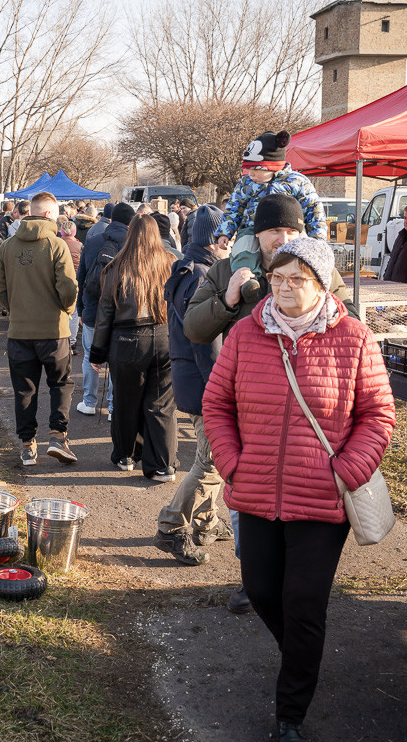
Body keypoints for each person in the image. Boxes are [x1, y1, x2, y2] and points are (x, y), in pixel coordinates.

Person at [202, 237, 395, 742]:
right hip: (256, 490)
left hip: (322, 497)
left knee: (304, 601)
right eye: (277, 277)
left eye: (297, 279)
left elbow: (377, 415)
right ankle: (302, 657)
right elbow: (216, 404)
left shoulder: (354, 338)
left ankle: (290, 713)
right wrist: (232, 463)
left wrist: (346, 471)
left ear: (322, 283)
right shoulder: (245, 333)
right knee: (263, 591)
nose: (284, 288)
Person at [184, 193, 359, 613]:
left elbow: (350, 319)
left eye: (292, 230)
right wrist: (227, 300)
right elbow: (193, 326)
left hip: (309, 409)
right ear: (257, 233)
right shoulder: (229, 267)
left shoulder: (319, 266)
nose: (284, 239)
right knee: (247, 497)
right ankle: (254, 578)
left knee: (300, 493)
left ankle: (293, 582)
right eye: (275, 230)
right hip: (251, 406)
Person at [154, 205, 232, 566]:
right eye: (228, 238)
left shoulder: (191, 266)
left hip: (195, 378)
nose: (231, 245)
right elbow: (205, 341)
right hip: (205, 383)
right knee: (211, 461)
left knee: (211, 456)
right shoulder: (202, 274)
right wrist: (222, 390)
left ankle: (206, 521)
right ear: (214, 240)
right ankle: (171, 525)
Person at [0, 192, 79, 466]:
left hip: (19, 332)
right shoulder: (57, 245)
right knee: (60, 384)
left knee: (24, 390)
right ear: (50, 214)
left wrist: (14, 308)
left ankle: (27, 446)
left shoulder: (7, 246)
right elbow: (68, 287)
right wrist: (67, 310)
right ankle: (57, 437)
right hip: (54, 331)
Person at [89, 214, 179, 479]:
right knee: (162, 405)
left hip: (127, 341)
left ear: (130, 234)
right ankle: (163, 464)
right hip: (164, 338)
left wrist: (97, 352)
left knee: (126, 403)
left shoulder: (116, 267)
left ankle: (126, 455)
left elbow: (105, 313)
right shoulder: (171, 262)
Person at [213, 131, 328, 280]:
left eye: (256, 169)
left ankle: (304, 277)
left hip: (290, 229)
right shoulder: (246, 183)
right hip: (251, 229)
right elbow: (234, 208)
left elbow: (314, 211)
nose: (251, 174)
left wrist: (317, 239)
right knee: (243, 249)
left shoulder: (297, 182)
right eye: (249, 169)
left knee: (303, 250)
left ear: (273, 167)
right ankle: (247, 280)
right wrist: (225, 232)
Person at [74, 203, 133, 418]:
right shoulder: (133, 244)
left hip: (93, 309)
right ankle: (113, 407)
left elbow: (82, 277)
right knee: (117, 360)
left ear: (111, 219)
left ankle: (89, 401)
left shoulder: (93, 241)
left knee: (90, 356)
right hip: (121, 311)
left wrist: (81, 309)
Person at [58, 219, 82, 347]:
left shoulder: (56, 244)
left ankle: (60, 338)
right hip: (75, 281)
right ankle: (72, 341)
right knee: (74, 313)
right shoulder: (80, 246)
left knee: (59, 311)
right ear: (74, 232)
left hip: (58, 281)